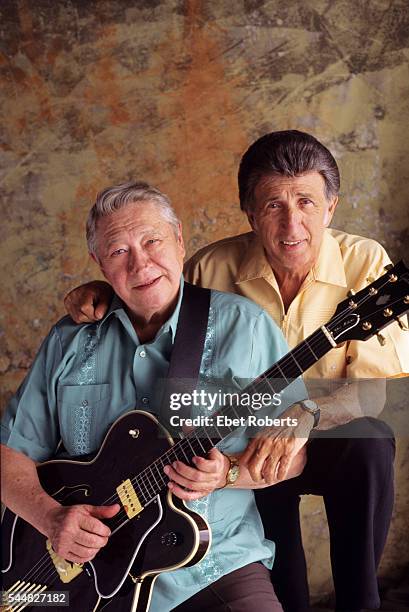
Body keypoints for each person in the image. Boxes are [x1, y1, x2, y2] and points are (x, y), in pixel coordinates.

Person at [63, 131, 409, 612]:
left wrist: (300, 416)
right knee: (244, 460)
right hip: (237, 451)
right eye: (273, 206)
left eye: (307, 202)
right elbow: (152, 299)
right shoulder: (210, 267)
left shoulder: (365, 261)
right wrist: (103, 284)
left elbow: (369, 394)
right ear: (249, 212)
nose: (293, 223)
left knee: (371, 441)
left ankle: (360, 602)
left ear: (331, 207)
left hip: (326, 432)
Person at [1, 181, 309, 612]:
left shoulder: (246, 328)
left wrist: (229, 473)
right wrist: (51, 520)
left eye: (152, 241)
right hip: (90, 577)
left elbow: (292, 457)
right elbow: (10, 454)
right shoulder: (69, 339)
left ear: (180, 240)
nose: (141, 264)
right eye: (118, 251)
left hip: (214, 565)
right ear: (99, 264)